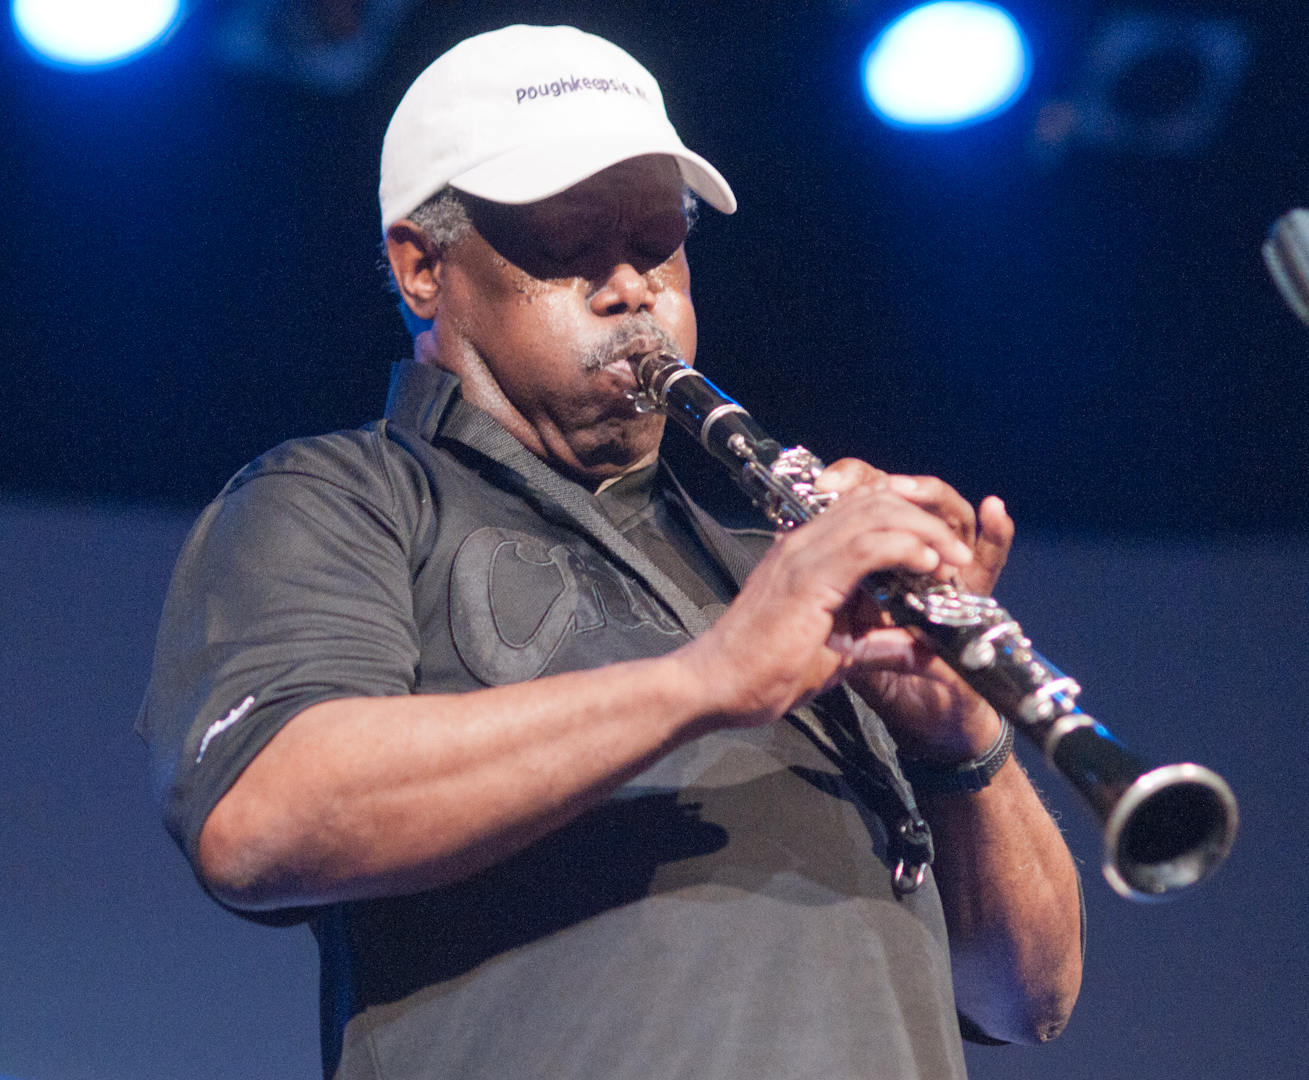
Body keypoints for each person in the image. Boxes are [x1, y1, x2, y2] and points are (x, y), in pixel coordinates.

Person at [138, 24, 1082, 1080]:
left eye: (658, 241)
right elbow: (262, 821)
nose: (631, 287)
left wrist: (962, 744)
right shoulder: (341, 497)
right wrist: (710, 679)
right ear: (422, 268)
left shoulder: (781, 559)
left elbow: (1028, 995)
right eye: (570, 241)